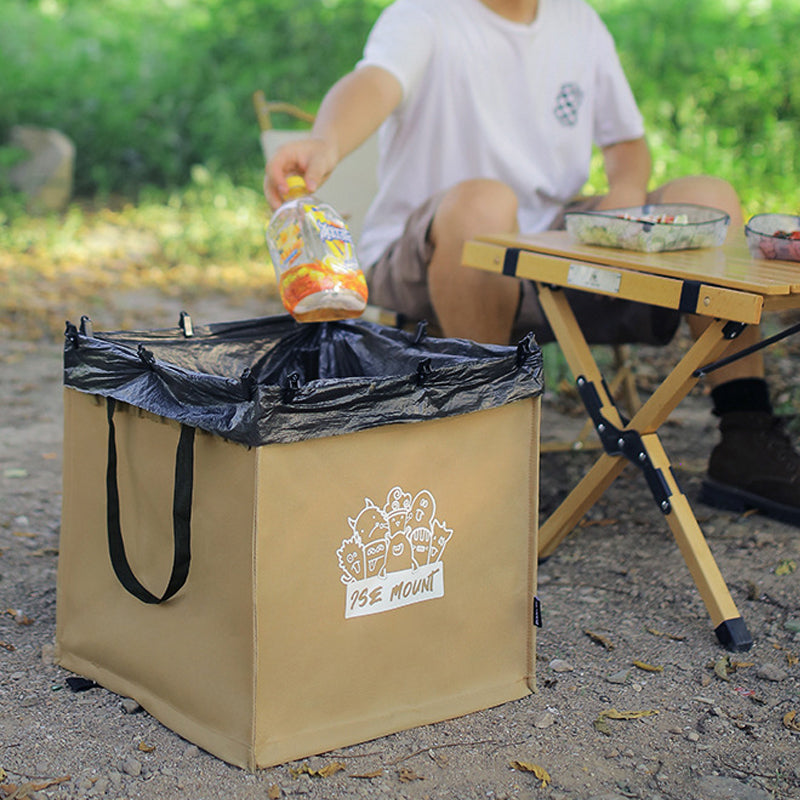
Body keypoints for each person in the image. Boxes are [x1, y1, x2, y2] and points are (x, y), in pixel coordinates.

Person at [265, 0, 800, 527]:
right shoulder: (425, 15)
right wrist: (326, 141)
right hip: (437, 251)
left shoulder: (578, 21)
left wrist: (628, 192)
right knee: (485, 204)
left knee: (710, 195)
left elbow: (626, 141)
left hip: (555, 243)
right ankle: (486, 442)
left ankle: (746, 433)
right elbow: (374, 82)